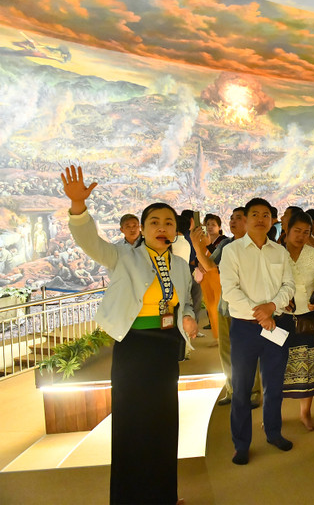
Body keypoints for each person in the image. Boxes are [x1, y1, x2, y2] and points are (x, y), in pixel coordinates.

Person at [61, 165, 197, 504]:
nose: (162, 227)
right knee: (132, 425)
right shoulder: (124, 256)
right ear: (143, 229)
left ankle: (164, 495)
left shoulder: (180, 265)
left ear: (176, 230)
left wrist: (190, 319)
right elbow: (90, 242)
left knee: (164, 423)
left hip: (166, 350)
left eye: (169, 223)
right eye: (154, 222)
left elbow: (185, 305)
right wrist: (79, 208)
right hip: (134, 348)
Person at [219, 197, 296, 465]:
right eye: (255, 214)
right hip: (244, 328)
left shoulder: (280, 251)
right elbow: (230, 291)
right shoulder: (232, 251)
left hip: (276, 323)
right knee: (241, 389)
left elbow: (289, 285)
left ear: (272, 219)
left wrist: (273, 307)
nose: (261, 219)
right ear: (245, 219)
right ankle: (241, 444)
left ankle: (274, 433)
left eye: (266, 214)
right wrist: (260, 313)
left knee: (274, 386)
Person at [190, 209, 261, 408]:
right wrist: (197, 246)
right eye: (231, 218)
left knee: (248, 351)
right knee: (227, 350)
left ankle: (254, 391)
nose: (233, 221)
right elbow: (210, 266)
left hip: (248, 309)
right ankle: (232, 389)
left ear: (249, 221)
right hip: (226, 306)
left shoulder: (257, 244)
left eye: (239, 218)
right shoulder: (226, 244)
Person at [281, 211, 314, 431]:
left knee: (308, 367)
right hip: (279, 318)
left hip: (306, 318)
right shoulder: (275, 252)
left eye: (306, 232)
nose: (301, 236)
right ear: (286, 230)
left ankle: (305, 414)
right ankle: (274, 414)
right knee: (276, 367)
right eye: (297, 231)